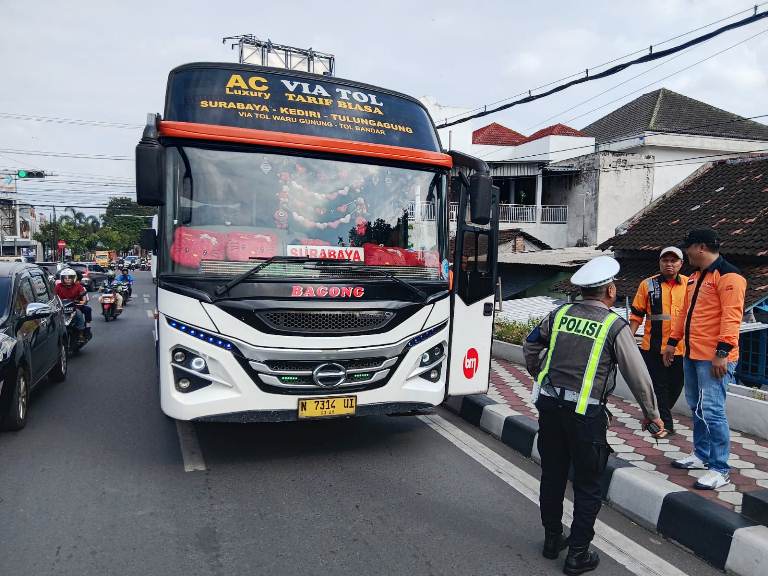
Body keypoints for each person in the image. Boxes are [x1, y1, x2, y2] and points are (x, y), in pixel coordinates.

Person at [524, 256, 664, 575]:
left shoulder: (559, 313)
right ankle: (577, 554)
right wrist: (652, 415)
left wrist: (540, 376)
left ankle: (551, 541)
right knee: (588, 483)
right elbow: (638, 376)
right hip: (584, 415)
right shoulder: (614, 325)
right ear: (610, 291)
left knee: (553, 475)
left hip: (549, 407)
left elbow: (531, 346)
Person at [664, 229, 746, 490]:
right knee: (696, 407)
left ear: (700, 247)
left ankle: (720, 468)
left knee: (712, 411)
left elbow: (732, 318)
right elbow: (685, 315)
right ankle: (701, 454)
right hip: (692, 354)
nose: (685, 253)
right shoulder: (694, 277)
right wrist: (672, 343)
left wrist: (722, 353)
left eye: (688, 247)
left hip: (715, 359)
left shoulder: (730, 276)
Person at [629, 247, 688, 435]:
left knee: (676, 385)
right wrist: (628, 338)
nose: (669, 264)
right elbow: (637, 315)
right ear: (659, 263)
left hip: (681, 349)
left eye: (673, 261)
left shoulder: (690, 284)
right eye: (665, 261)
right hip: (653, 347)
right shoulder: (648, 285)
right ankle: (666, 425)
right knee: (659, 386)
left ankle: (658, 414)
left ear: (681, 264)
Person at [55, 268, 92, 341]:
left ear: (74, 278)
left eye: (70, 278)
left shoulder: (78, 286)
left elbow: (83, 297)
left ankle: (81, 333)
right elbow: (54, 296)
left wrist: (83, 301)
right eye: (65, 278)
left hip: (74, 306)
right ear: (62, 278)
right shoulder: (58, 286)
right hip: (62, 307)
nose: (68, 280)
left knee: (79, 314)